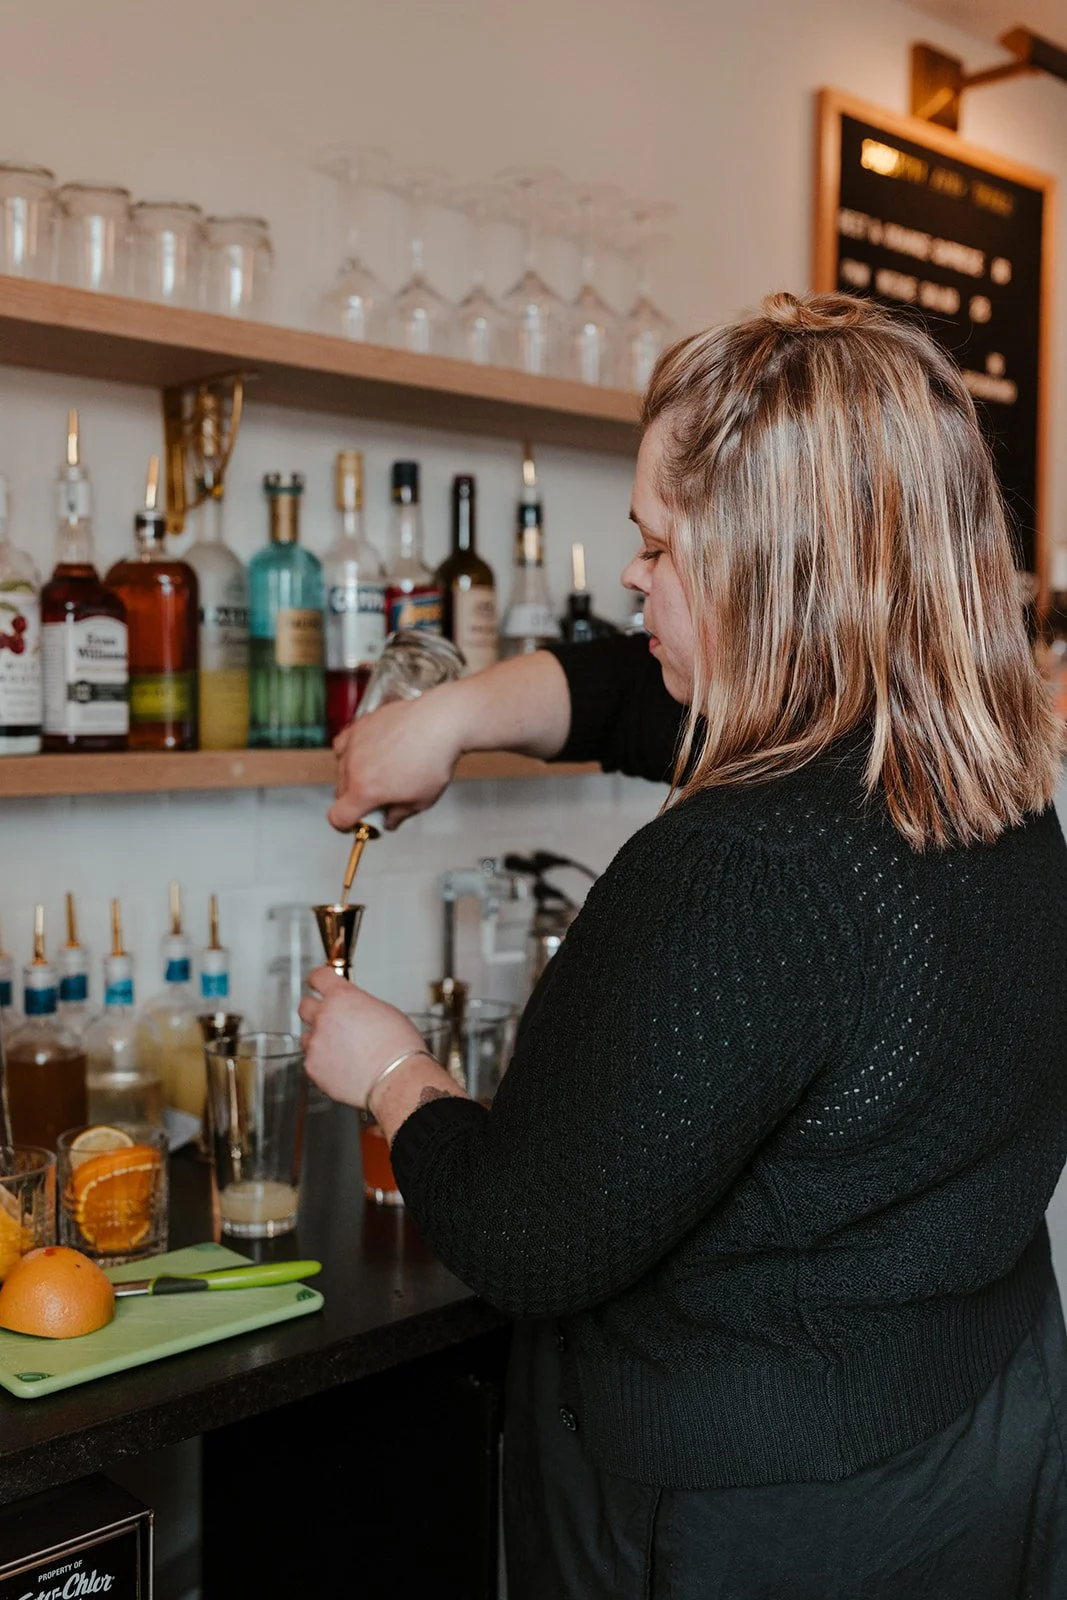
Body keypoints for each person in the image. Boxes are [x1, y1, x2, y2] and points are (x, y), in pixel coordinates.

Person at [300, 291, 1067, 1599]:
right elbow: (617, 696)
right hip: (973, 1431)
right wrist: (448, 718)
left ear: (774, 564)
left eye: (659, 545)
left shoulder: (738, 870)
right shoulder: (989, 784)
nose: (631, 579)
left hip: (758, 1507)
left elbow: (530, 1235)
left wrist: (392, 1075)